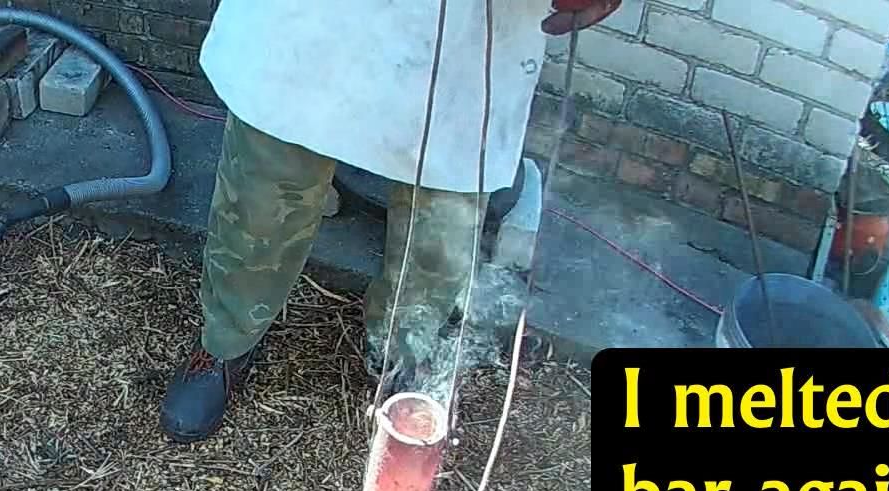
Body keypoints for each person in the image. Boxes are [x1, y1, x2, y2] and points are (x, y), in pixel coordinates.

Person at [159, 0, 623, 444]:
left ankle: (404, 352)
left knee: (447, 199)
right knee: (264, 177)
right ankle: (226, 339)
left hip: (475, 23)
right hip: (314, 17)